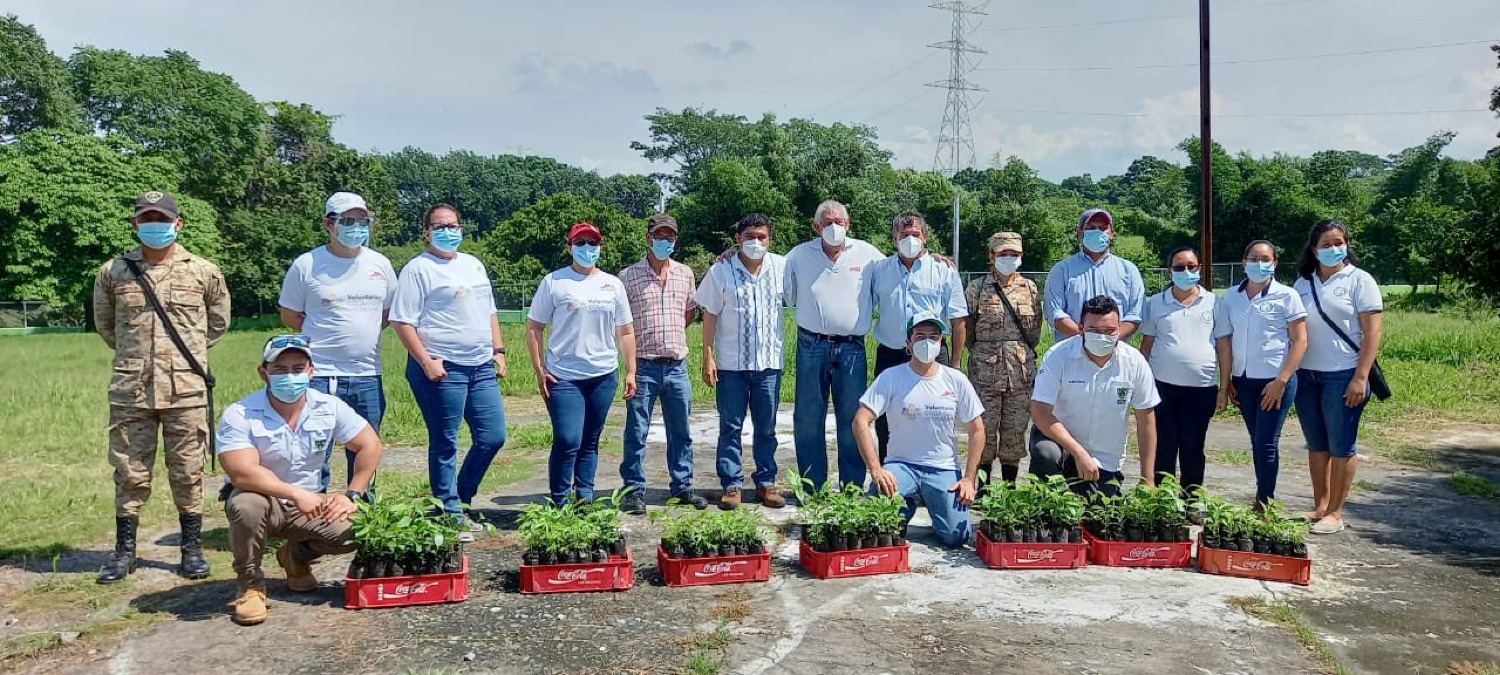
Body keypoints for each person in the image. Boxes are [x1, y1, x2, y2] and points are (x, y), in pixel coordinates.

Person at [92, 190, 231, 584]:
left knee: (188, 470)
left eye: (162, 218)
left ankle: (191, 549)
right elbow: (107, 326)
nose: (155, 225)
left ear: (177, 223)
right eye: (147, 219)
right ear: (136, 224)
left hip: (186, 388)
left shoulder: (203, 271)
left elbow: (217, 325)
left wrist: (181, 359)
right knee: (129, 470)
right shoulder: (113, 272)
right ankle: (124, 553)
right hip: (131, 388)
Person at [218, 335, 383, 626]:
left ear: (310, 371)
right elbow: (241, 472)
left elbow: (369, 444)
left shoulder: (329, 406)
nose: (290, 376)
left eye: (297, 368)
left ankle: (295, 556)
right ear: (263, 372)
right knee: (246, 505)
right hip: (264, 500)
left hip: (311, 502)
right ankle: (250, 585)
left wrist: (352, 494)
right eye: (280, 369)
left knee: (357, 529)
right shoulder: (241, 412)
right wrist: (294, 494)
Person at [390, 204, 507, 538]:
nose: (446, 231)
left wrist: (498, 350)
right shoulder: (418, 269)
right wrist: (426, 361)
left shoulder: (473, 264)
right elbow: (402, 320)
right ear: (426, 232)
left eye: (452, 225)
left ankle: (461, 496)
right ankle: (448, 511)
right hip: (442, 367)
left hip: (480, 364)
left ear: (462, 229)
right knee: (446, 441)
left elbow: (490, 311)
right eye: (438, 226)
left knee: (492, 435)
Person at [278, 191, 396, 487]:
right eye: (348, 220)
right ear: (328, 224)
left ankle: (362, 513)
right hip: (320, 374)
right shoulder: (307, 265)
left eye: (362, 220)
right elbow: (291, 316)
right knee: (316, 450)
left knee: (366, 449)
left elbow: (388, 313)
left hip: (367, 374)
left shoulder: (380, 264)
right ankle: (313, 513)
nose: (356, 227)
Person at [527, 222, 637, 506]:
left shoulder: (613, 284)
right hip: (563, 376)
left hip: (603, 374)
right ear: (569, 248)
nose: (587, 249)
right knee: (567, 438)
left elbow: (625, 330)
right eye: (581, 243)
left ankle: (584, 496)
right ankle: (561, 499)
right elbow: (534, 327)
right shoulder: (554, 282)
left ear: (601, 247)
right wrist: (539, 368)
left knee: (590, 439)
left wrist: (631, 370)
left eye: (593, 243)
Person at [855, 312, 985, 547]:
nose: (927, 342)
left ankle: (938, 506)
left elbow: (977, 430)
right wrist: (876, 470)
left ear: (941, 342)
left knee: (956, 537)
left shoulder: (955, 379)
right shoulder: (891, 377)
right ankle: (905, 506)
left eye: (933, 337)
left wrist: (968, 479)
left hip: (942, 467)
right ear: (908, 343)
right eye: (920, 336)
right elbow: (860, 421)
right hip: (901, 465)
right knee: (877, 511)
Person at [784, 200, 885, 490]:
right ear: (816, 227)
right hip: (811, 345)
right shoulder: (799, 255)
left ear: (848, 224)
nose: (833, 227)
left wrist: (931, 257)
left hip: (852, 348)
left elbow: (898, 268)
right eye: (826, 222)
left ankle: (851, 485)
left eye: (839, 222)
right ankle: (812, 485)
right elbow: (764, 264)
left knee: (853, 418)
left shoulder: (867, 254)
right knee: (807, 417)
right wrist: (732, 253)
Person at [1293, 220, 1383, 535]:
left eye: (1338, 243)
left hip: (1343, 374)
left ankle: (1335, 512)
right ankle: (1320, 505)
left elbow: (1373, 332)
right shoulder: (1303, 283)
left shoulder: (1360, 280)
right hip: (1306, 375)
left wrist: (1360, 376)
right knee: (1317, 444)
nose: (1333, 249)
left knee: (1341, 444)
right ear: (1314, 249)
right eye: (1326, 244)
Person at [697, 214, 788, 510]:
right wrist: (707, 355)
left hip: (768, 364)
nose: (756, 242)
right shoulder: (721, 270)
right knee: (730, 426)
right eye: (749, 236)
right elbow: (710, 313)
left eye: (762, 237)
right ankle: (732, 484)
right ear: (738, 239)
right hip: (731, 365)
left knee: (766, 427)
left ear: (770, 240)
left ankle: (766, 482)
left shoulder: (783, 267)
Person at [617, 214, 706, 513]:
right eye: (659, 236)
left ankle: (682, 486)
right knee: (637, 430)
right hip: (643, 365)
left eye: (669, 237)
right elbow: (622, 322)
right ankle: (633, 490)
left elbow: (690, 312)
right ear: (648, 238)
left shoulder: (685, 273)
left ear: (675, 241)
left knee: (680, 430)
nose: (663, 241)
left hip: (677, 364)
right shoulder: (628, 276)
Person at [865, 212, 969, 462]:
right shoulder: (879, 270)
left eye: (915, 235)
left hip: (934, 353)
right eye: (904, 235)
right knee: (886, 418)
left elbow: (958, 319)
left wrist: (955, 364)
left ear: (925, 237)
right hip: (892, 353)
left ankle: (935, 468)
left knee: (935, 415)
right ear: (894, 238)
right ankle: (888, 474)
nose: (910, 239)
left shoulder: (943, 269)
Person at [1030, 296, 1159, 496]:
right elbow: (1040, 412)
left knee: (1099, 517)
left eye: (1109, 331)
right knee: (1045, 453)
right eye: (1094, 331)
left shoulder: (1134, 362)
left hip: (1105, 459)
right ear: (1081, 328)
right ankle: (1046, 503)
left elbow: (1146, 419)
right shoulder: (1058, 356)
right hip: (1062, 445)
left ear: (1119, 329)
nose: (1102, 337)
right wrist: (1078, 452)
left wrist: (1147, 479)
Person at [1214, 240, 1307, 508]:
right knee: (1256, 440)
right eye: (1253, 259)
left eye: (1265, 259)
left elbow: (1300, 341)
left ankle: (1264, 502)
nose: (1259, 264)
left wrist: (1282, 380)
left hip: (1275, 382)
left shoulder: (1287, 296)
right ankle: (1261, 494)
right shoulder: (1231, 296)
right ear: (1243, 263)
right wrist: (1227, 381)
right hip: (1244, 382)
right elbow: (1226, 342)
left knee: (1267, 442)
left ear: (1275, 263)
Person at [960, 231, 1040, 488]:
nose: (1009, 258)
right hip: (985, 372)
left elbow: (1035, 330)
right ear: (991, 256)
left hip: (1019, 372)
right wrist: (986, 352)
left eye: (1014, 254)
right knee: (983, 428)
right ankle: (981, 488)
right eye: (1003, 254)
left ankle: (1008, 488)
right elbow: (968, 329)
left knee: (1014, 431)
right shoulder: (976, 288)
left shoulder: (1030, 288)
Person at [1140, 247, 1221, 496]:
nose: (1185, 271)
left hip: (1202, 388)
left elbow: (1225, 345)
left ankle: (1192, 498)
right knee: (1165, 443)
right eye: (1179, 267)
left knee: (1192, 445)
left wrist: (1225, 386)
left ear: (1199, 269)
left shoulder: (1215, 302)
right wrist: (1140, 383)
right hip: (1163, 386)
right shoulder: (1156, 303)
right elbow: (1147, 344)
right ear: (1169, 272)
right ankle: (1163, 498)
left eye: (1191, 266)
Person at [1043, 208, 1145, 340]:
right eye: (1090, 228)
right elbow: (1055, 314)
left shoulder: (1129, 270)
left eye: (1102, 228)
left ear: (1112, 234)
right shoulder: (1062, 270)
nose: (1097, 232)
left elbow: (1135, 315)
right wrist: (1087, 340)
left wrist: (1109, 341)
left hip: (1116, 351)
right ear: (1080, 233)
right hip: (1072, 351)